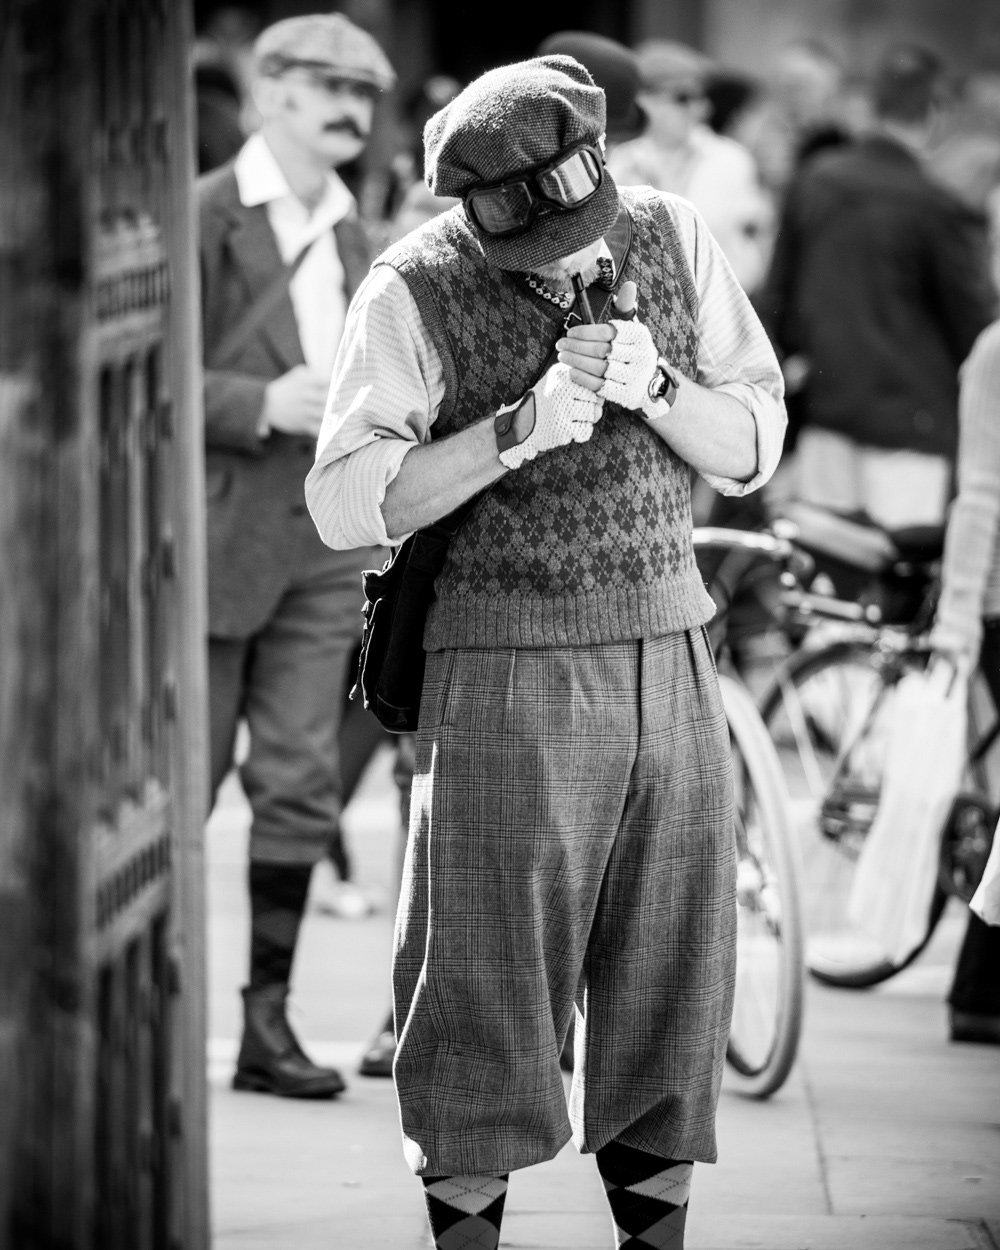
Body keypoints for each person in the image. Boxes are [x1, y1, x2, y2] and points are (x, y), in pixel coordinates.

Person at [306, 55, 785, 1249]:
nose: (572, 257)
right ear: (468, 208)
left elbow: (754, 437)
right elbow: (344, 498)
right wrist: (511, 432)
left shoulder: (673, 231)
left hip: (672, 646)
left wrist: (661, 385)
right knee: (480, 986)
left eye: (582, 225)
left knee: (673, 980)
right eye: (537, 241)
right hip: (502, 671)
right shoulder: (409, 285)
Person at [199, 13, 395, 1099]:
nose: (348, 109)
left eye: (361, 92)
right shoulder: (198, 219)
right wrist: (252, 400)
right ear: (266, 90)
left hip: (327, 539)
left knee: (300, 781)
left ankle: (266, 1027)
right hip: (214, 529)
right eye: (324, 86)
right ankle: (160, 1005)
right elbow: (119, 371)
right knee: (180, 780)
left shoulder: (366, 237)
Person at [765, 44, 996, 535]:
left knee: (825, 582)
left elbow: (778, 298)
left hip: (828, 412)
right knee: (898, 585)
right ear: (936, 111)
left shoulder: (816, 179)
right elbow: (973, 330)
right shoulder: (934, 205)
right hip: (911, 426)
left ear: (872, 104)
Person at [929, 318, 1000, 1046]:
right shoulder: (995, 353)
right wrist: (958, 622)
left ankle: (980, 993)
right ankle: (977, 992)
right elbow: (981, 492)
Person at [608, 39, 772, 294]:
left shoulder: (730, 158)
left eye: (701, 96)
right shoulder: (620, 160)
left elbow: (755, 237)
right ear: (645, 100)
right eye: (683, 97)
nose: (701, 109)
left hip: (720, 305)